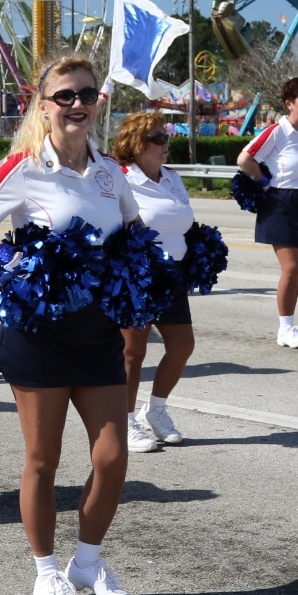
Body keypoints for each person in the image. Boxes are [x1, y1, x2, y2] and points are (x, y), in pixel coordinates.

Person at [0, 54, 140, 595]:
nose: (78, 104)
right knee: (43, 459)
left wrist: (144, 279)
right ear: (44, 105)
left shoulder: (109, 172)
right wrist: (11, 259)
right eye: (65, 96)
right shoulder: (24, 168)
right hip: (39, 334)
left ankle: (88, 560)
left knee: (113, 456)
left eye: (87, 94)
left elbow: (133, 233)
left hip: (98, 333)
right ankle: (47, 572)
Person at [113, 112, 196, 453]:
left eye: (167, 137)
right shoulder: (120, 179)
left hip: (171, 274)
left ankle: (156, 409)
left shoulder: (172, 178)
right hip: (137, 275)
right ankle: (125, 420)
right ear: (136, 144)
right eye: (158, 139)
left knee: (182, 345)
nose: (165, 145)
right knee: (133, 352)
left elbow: (182, 223)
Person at [237, 77, 298, 348]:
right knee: (291, 268)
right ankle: (285, 329)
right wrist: (264, 182)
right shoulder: (277, 132)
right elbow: (245, 158)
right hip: (281, 204)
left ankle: (289, 325)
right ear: (289, 103)